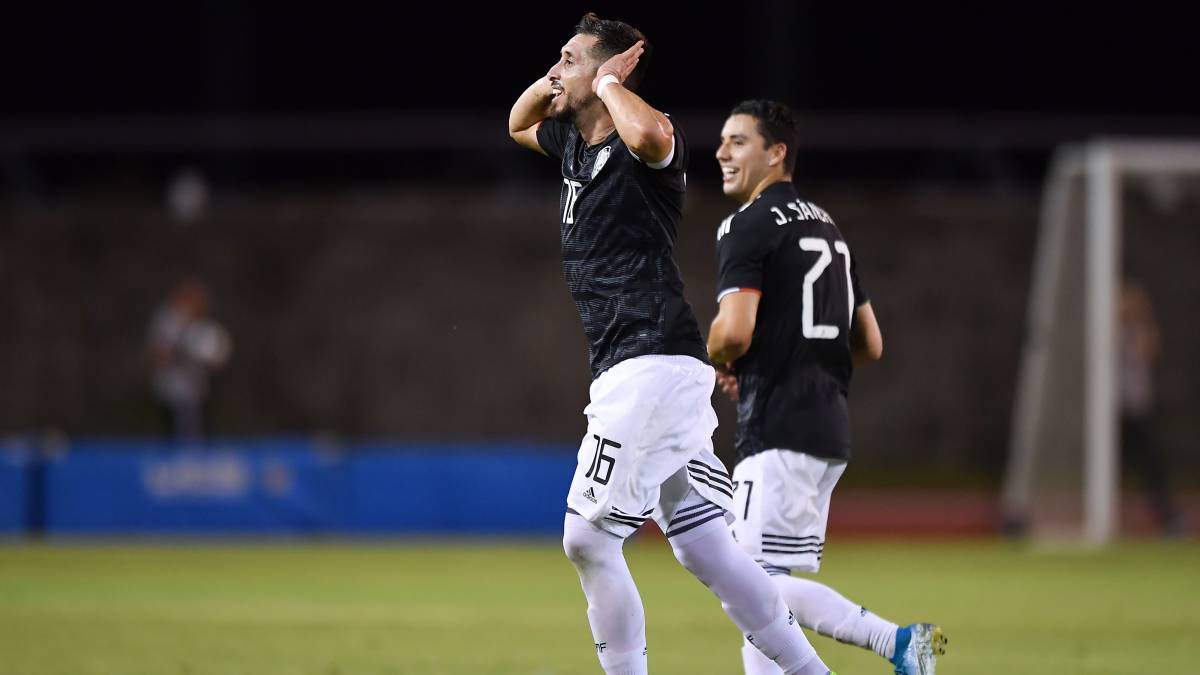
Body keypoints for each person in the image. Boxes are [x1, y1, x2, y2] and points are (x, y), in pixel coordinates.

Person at [508, 15, 833, 675]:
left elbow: (654, 135)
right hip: (644, 365)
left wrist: (602, 78)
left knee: (587, 537)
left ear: (612, 73)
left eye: (568, 60)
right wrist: (562, 78)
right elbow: (516, 123)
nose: (555, 72)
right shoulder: (573, 144)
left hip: (647, 362)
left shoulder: (643, 142)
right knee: (705, 548)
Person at [707, 99, 946, 675]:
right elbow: (870, 343)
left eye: (738, 141)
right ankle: (895, 644)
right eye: (723, 141)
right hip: (827, 425)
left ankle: (897, 641)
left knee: (748, 590)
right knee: (764, 587)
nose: (722, 152)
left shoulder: (748, 224)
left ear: (776, 152)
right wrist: (800, 360)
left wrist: (716, 356)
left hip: (778, 427)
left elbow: (732, 332)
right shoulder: (829, 227)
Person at [1119, 279, 1183, 537]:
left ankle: (1169, 519)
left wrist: (1141, 324)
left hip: (1136, 410)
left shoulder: (1140, 332)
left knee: (1152, 464)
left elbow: (1149, 353)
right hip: (1111, 415)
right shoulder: (1106, 332)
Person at [146, 276, 232, 441]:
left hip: (196, 393)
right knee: (173, 438)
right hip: (171, 393)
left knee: (198, 438)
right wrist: (182, 350)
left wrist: (212, 357)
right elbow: (157, 356)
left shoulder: (202, 325)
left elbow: (218, 357)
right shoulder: (167, 320)